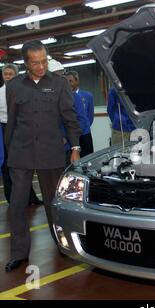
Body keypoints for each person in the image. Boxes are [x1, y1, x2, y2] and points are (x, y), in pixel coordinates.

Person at [4, 40, 81, 272]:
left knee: (52, 203)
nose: (41, 66)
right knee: (17, 205)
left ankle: (61, 245)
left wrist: (75, 148)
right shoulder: (14, 86)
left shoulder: (59, 84)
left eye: (44, 61)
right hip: (21, 153)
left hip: (51, 153)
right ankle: (19, 253)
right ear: (26, 63)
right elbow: (12, 121)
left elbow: (69, 118)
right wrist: (10, 151)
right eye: (35, 63)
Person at [0, 63, 43, 205]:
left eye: (10, 74)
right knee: (7, 165)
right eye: (5, 74)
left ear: (16, 76)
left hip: (20, 127)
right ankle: (11, 198)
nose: (7, 77)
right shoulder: (0, 92)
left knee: (25, 164)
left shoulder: (23, 90)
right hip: (3, 128)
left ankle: (30, 197)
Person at [65, 70, 94, 157]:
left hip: (84, 133)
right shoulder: (64, 96)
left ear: (77, 81)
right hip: (70, 135)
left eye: (71, 81)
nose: (68, 84)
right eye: (66, 81)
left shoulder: (88, 95)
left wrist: (83, 127)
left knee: (87, 159)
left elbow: (90, 116)